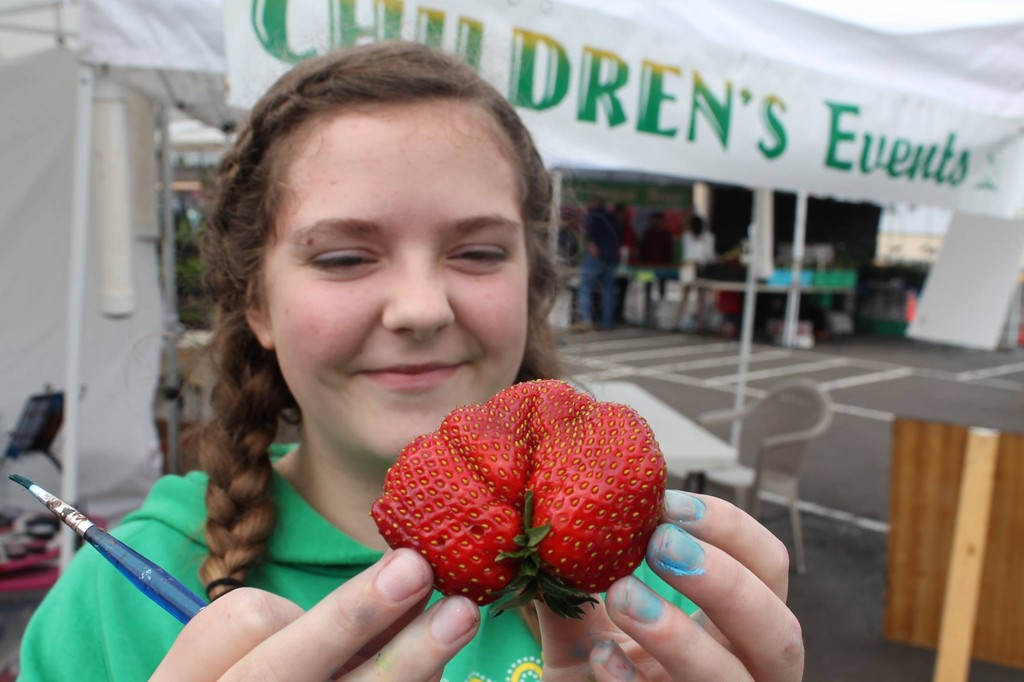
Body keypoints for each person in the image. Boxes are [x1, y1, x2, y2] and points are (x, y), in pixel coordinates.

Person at [19, 42, 801, 681]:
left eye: (480, 251)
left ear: (533, 282)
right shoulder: (115, 603)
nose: (422, 308)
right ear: (254, 300)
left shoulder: (653, 582)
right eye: (346, 257)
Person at [573, 195, 621, 331]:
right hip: (610, 258)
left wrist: (593, 247)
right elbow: (619, 237)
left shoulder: (593, 216)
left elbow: (591, 238)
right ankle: (607, 321)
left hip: (595, 257)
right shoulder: (613, 217)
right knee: (608, 290)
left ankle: (586, 319)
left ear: (594, 202)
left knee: (585, 287)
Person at [674, 213, 717, 330]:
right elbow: (710, 256)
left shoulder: (687, 237)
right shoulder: (708, 237)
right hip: (700, 269)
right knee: (701, 298)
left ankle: (677, 322)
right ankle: (699, 323)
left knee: (684, 297)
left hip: (688, 268)